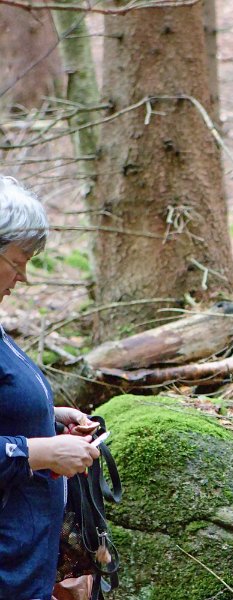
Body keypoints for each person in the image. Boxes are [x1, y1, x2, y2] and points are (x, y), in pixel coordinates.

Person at [0, 176, 100, 600]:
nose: (24, 277)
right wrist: (43, 452)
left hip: (23, 564)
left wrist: (47, 416)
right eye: (18, 260)